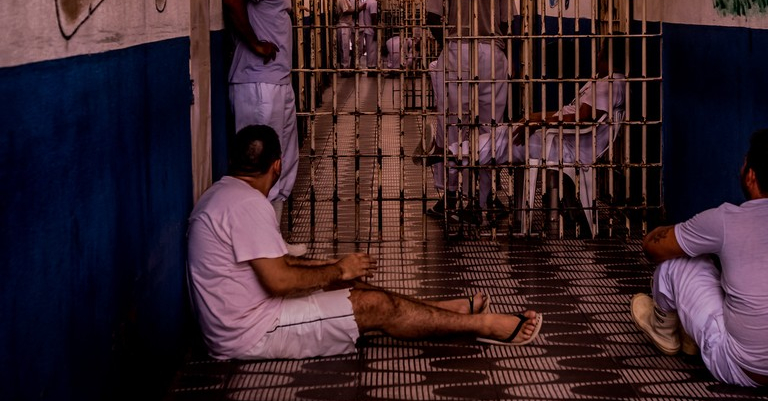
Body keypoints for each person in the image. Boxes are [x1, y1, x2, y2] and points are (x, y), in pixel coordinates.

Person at [187, 124, 544, 361]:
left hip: (244, 320)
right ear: (278, 165)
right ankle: (485, 326)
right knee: (376, 305)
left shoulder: (224, 194)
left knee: (351, 287)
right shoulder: (249, 205)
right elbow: (278, 280)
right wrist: (338, 269)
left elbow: (279, 264)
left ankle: (443, 309)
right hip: (253, 333)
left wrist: (336, 270)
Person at [631, 128, 768, 388]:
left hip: (743, 369)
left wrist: (674, 232)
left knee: (676, 262)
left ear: (750, 175)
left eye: (744, 163)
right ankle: (690, 334)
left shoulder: (726, 219)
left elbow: (653, 249)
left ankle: (663, 330)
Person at [427, 36, 627, 234]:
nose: (597, 55)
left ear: (608, 57)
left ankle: (449, 154)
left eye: (600, 51)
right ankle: (454, 160)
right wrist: (535, 118)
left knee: (502, 140)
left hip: (564, 145)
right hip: (561, 138)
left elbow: (582, 117)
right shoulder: (607, 82)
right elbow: (573, 113)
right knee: (503, 136)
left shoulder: (611, 84)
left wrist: (538, 121)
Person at [425, 0, 514, 221]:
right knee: (490, 128)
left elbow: (433, 17)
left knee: (453, 125)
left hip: (457, 50)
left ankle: (450, 196)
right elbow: (508, 21)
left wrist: (449, 45)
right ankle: (484, 199)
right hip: (491, 52)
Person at [222, 0, 300, 218]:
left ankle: (272, 233)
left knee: (281, 160)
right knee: (259, 164)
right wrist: (255, 43)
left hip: (274, 81)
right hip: (258, 84)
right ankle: (256, 232)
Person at [336, 0, 359, 71]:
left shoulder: (347, 0)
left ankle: (345, 66)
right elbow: (345, 11)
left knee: (345, 47)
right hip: (343, 26)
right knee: (344, 47)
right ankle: (344, 67)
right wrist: (357, 10)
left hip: (346, 25)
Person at [358, 0, 380, 69]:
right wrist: (375, 30)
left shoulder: (367, 1)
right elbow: (373, 17)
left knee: (369, 49)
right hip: (371, 30)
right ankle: (372, 67)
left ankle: (370, 66)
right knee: (372, 50)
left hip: (367, 28)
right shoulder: (374, 3)